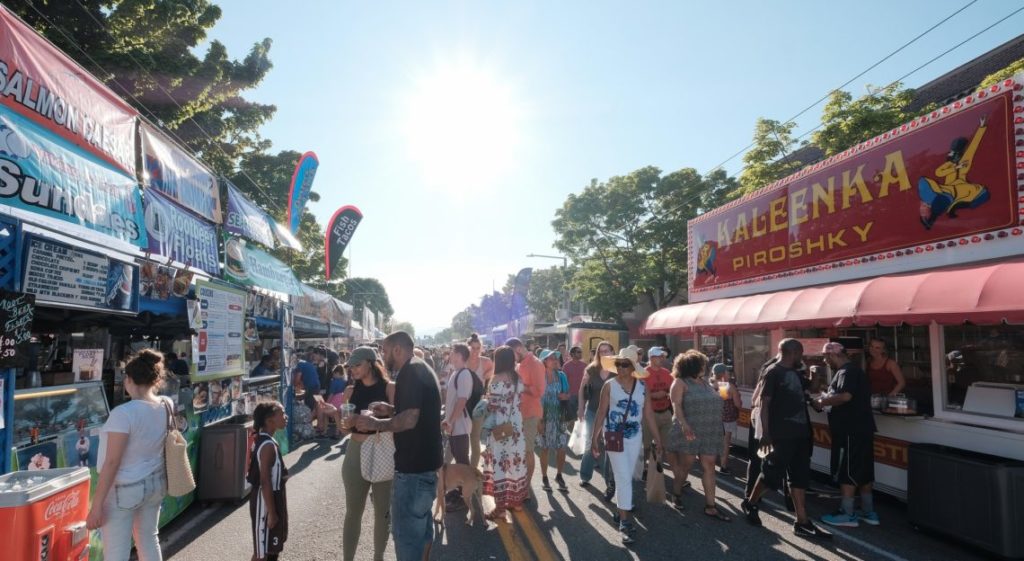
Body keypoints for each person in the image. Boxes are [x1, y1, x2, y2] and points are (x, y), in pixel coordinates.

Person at [355, 332, 442, 561]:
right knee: (422, 533)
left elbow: (411, 418)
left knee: (406, 539)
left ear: (397, 349)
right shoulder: (419, 367)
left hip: (413, 472)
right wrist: (391, 410)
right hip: (424, 468)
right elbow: (416, 413)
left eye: (384, 350)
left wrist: (376, 423)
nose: (382, 357)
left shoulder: (410, 372)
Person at [86, 349, 170, 561]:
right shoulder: (166, 404)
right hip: (156, 484)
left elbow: (112, 462)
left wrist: (96, 507)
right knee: (149, 540)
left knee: (116, 552)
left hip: (124, 489)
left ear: (129, 380)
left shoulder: (123, 414)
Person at [742, 339, 826, 538]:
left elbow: (811, 388)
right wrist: (765, 434)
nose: (803, 358)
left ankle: (802, 521)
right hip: (781, 434)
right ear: (793, 353)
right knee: (771, 474)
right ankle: (750, 502)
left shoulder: (796, 372)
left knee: (799, 476)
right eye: (801, 354)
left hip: (801, 433)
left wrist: (815, 375)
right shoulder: (773, 372)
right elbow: (764, 405)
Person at [591, 346, 663, 545]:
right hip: (613, 436)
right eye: (618, 364)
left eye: (624, 364)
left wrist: (658, 440)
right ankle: (625, 521)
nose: (620, 368)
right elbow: (600, 412)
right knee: (623, 476)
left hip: (634, 437)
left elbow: (648, 414)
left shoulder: (642, 388)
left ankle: (620, 509)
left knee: (628, 476)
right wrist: (594, 438)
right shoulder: (610, 385)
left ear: (633, 367)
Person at [339, 347, 395, 561]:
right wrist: (341, 419)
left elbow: (400, 419)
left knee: (382, 513)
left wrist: (386, 413)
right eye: (351, 366)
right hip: (355, 451)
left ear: (370, 364)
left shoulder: (390, 388)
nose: (353, 369)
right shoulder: (350, 391)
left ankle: (378, 557)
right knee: (353, 513)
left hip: (383, 450)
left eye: (357, 365)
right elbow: (343, 429)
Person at [816, 342, 879, 528]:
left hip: (851, 430)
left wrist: (821, 402)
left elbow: (845, 396)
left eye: (826, 358)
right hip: (863, 429)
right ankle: (868, 511)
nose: (826, 362)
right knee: (864, 470)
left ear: (833, 356)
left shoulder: (846, 372)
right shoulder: (854, 371)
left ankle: (847, 513)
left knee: (848, 470)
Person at [664, 351, 728, 520]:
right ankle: (676, 493)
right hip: (689, 430)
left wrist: (723, 384)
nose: (705, 367)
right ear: (692, 366)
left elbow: (725, 398)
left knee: (710, 466)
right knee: (685, 467)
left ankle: (710, 506)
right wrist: (685, 426)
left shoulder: (706, 383)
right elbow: (676, 406)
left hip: (710, 430)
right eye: (702, 364)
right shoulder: (680, 383)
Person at [481, 346, 528, 518]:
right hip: (516, 425)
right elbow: (519, 399)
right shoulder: (517, 378)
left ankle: (499, 508)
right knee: (516, 463)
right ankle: (517, 503)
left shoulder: (496, 380)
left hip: (501, 427)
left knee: (501, 464)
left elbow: (492, 405)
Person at [248, 401, 289, 561]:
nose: (285, 417)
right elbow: (265, 481)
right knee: (261, 553)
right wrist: (271, 513)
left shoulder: (269, 441)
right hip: (263, 503)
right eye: (282, 413)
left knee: (272, 549)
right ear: (269, 420)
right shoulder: (267, 446)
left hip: (272, 499)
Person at [506, 337, 545, 499]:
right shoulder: (520, 364)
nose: (511, 358)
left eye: (512, 354)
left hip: (530, 414)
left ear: (519, 349)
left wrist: (518, 385)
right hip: (519, 413)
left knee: (527, 451)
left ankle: (525, 488)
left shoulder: (535, 363)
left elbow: (538, 391)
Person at [577, 341, 615, 495]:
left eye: (607, 350)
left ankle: (609, 481)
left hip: (613, 414)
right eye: (602, 351)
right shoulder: (591, 370)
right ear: (598, 354)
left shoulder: (619, 369)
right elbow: (582, 390)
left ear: (613, 351)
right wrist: (580, 408)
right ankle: (585, 476)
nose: (604, 354)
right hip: (593, 411)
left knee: (609, 447)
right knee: (590, 444)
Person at [535, 349, 570, 492]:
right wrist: (539, 420)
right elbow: (535, 399)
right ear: (544, 361)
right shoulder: (539, 376)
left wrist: (565, 396)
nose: (555, 360)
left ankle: (559, 475)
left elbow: (568, 393)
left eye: (556, 357)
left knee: (562, 448)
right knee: (545, 448)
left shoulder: (561, 375)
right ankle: (544, 477)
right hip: (544, 417)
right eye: (551, 358)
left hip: (560, 417)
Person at [467, 333, 494, 468]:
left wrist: (485, 380)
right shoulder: (463, 361)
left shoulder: (486, 362)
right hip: (462, 405)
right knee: (461, 439)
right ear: (468, 347)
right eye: (473, 348)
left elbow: (490, 377)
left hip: (478, 405)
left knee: (475, 438)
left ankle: (472, 471)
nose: (475, 351)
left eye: (478, 348)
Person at [643, 347, 674, 465]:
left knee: (666, 444)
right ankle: (645, 467)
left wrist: (667, 394)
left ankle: (658, 466)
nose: (662, 359)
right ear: (651, 357)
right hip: (649, 414)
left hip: (665, 412)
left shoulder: (667, 373)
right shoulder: (643, 373)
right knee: (646, 445)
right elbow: (637, 394)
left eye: (663, 356)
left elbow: (673, 390)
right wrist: (652, 395)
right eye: (659, 356)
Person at [713, 363, 743, 475]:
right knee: (725, 443)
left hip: (714, 417)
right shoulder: (726, 385)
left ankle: (711, 463)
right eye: (727, 371)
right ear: (723, 373)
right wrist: (739, 403)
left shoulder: (710, 384)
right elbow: (735, 403)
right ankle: (723, 466)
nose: (729, 373)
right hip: (727, 418)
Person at [316, 365, 348, 439]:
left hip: (335, 400)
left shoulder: (334, 382)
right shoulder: (344, 381)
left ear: (337, 373)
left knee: (325, 413)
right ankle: (337, 432)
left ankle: (325, 431)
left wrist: (326, 402)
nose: (333, 375)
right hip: (342, 400)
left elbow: (332, 393)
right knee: (339, 416)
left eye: (334, 374)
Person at [562, 346, 587, 421]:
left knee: (582, 418)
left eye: (581, 352)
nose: (581, 354)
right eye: (578, 352)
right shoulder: (566, 366)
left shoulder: (585, 365)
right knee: (572, 419)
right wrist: (566, 394)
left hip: (582, 396)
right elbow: (563, 382)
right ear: (572, 354)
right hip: (571, 395)